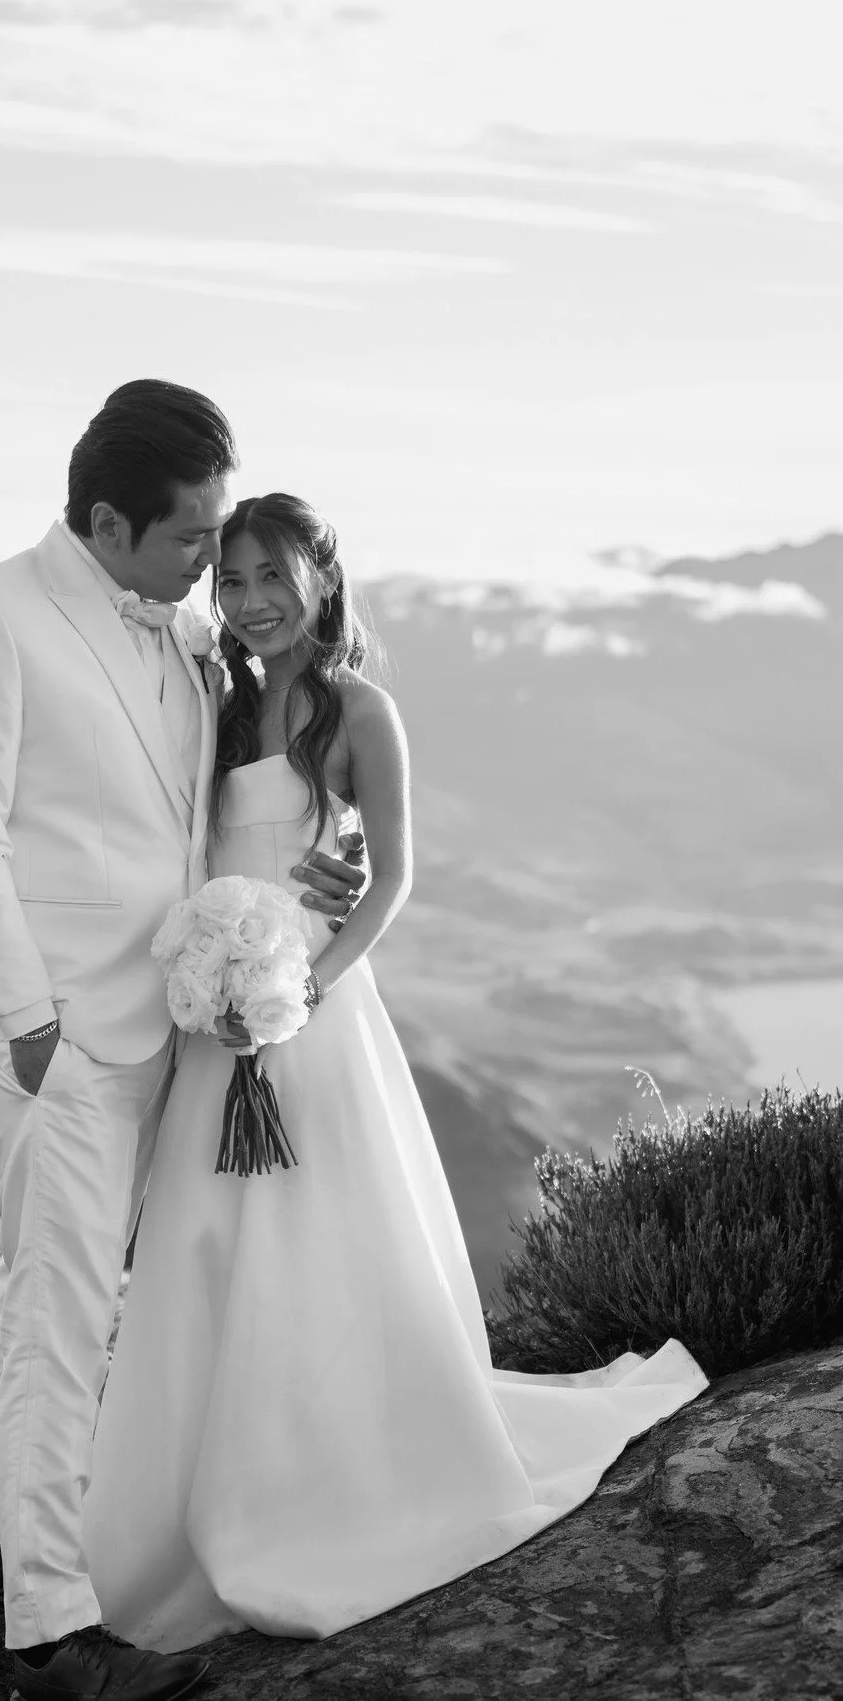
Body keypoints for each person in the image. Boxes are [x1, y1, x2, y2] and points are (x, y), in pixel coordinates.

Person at [83, 492, 709, 1650]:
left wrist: (306, 985)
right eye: (235, 581)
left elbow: (393, 877)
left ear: (321, 575)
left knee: (325, 1246)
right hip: (219, 1025)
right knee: (209, 1249)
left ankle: (338, 1478)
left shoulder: (359, 711)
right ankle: (206, 1486)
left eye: (274, 574)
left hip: (314, 1016)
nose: (255, 600)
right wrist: (213, 981)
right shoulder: (220, 709)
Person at [0, 388, 364, 1701]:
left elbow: (195, 821)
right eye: (191, 537)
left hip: (161, 1018)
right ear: (104, 518)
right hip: (56, 1031)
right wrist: (29, 1024)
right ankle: (52, 1633)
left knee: (40, 1274)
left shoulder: (183, 645)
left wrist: (297, 885)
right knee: (66, 1305)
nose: (213, 565)